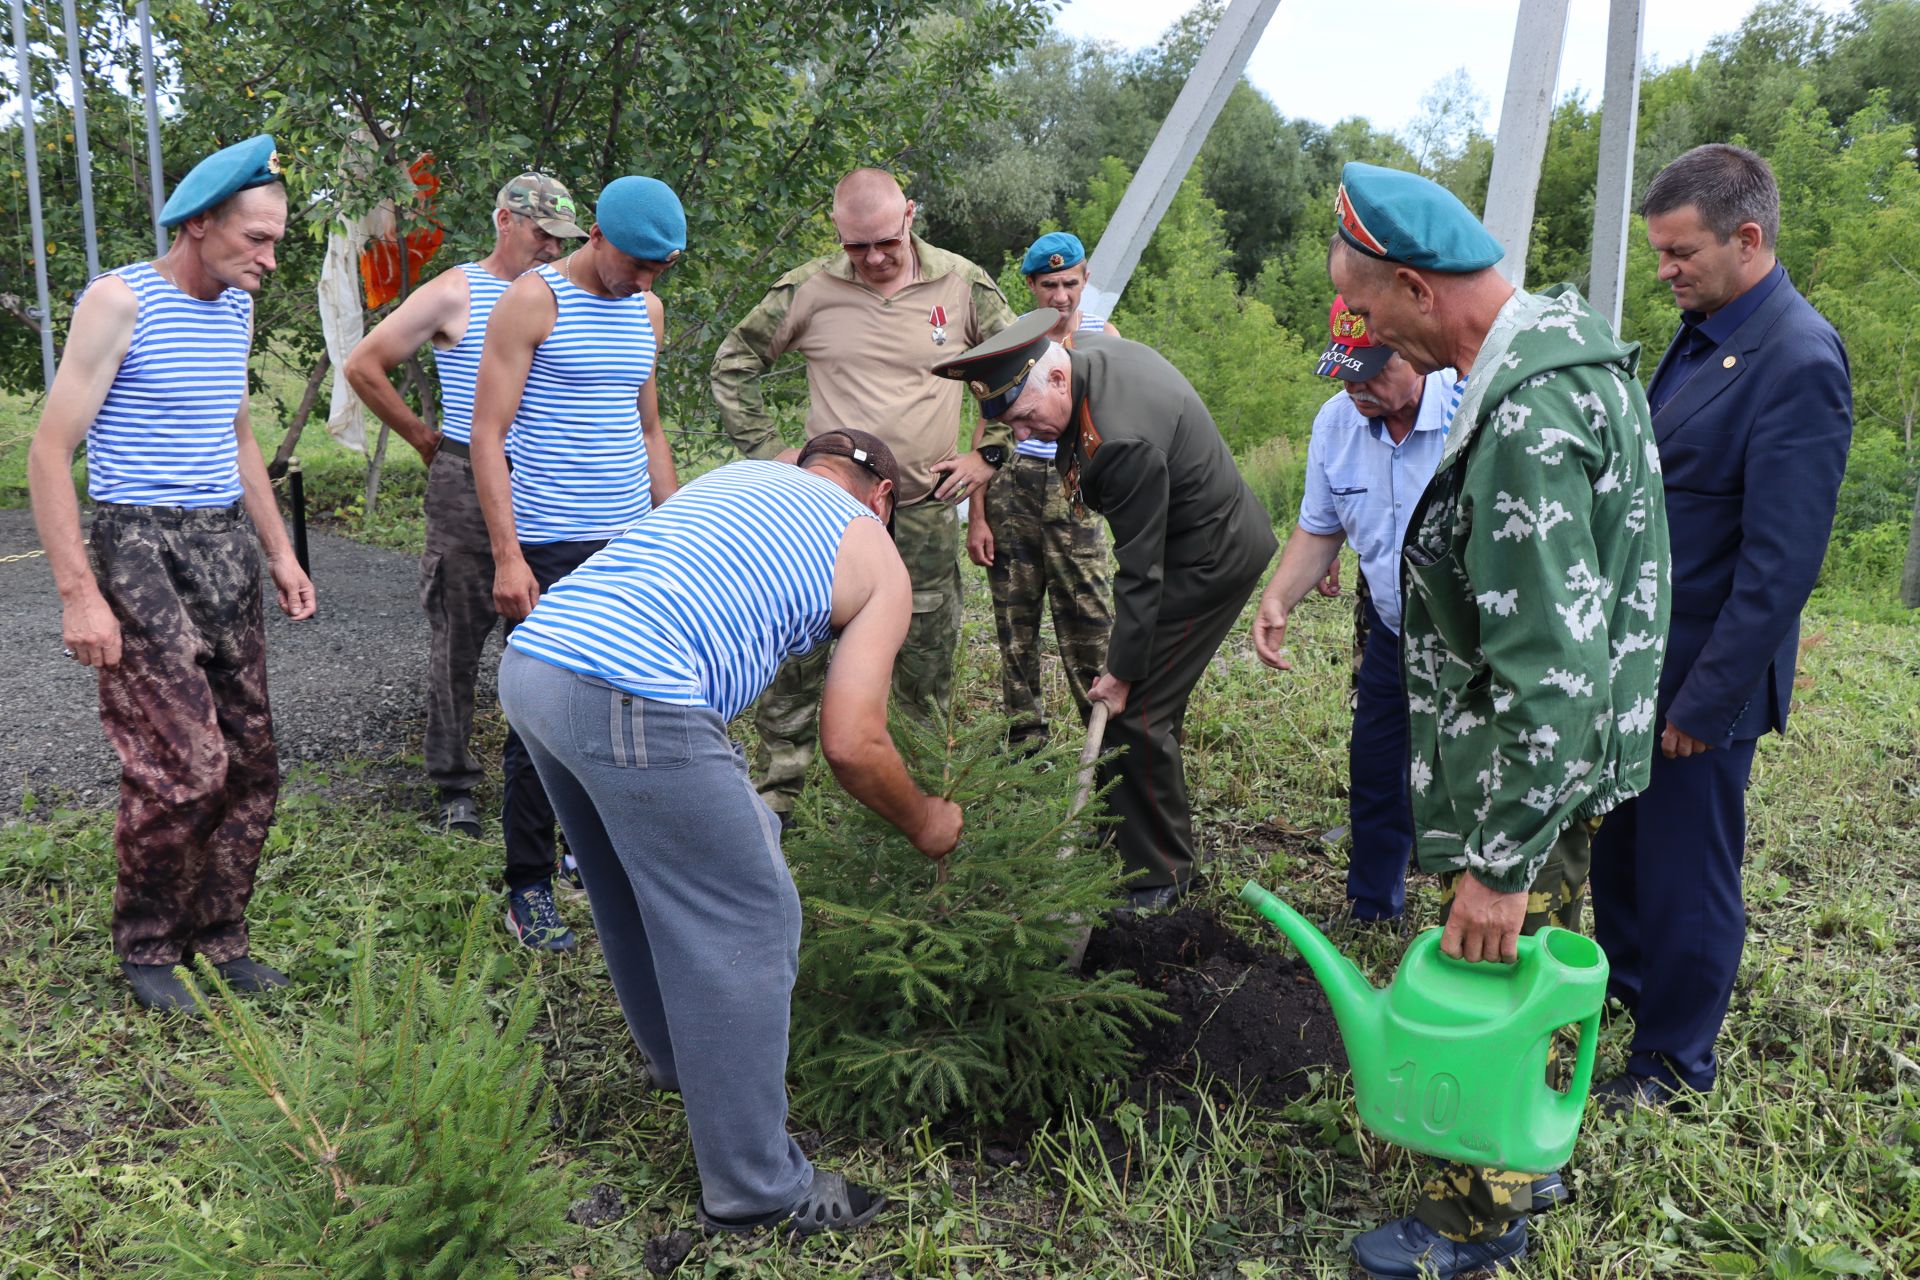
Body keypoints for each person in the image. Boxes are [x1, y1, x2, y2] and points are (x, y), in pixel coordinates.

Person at [1325, 161, 1670, 1279]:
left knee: (1495, 970)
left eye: (1372, 308)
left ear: (1421, 289)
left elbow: (1550, 667)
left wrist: (1498, 860)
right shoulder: (1571, 342)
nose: (1370, 336)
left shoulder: (1523, 413)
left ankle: (1472, 1217)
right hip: (1568, 763)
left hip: (1527, 773)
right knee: (1556, 962)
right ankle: (1532, 1155)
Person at [498, 430, 958, 1237]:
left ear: (805, 465)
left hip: (535, 662)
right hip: (633, 690)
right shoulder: (878, 556)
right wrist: (926, 821)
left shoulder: (738, 478)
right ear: (881, 497)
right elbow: (853, 743)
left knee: (628, 885)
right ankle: (758, 1187)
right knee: (751, 912)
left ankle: (684, 1063)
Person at [1590, 144, 1852, 1114]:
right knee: (1623, 855)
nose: (1664, 270)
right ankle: (1631, 998)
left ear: (1747, 238)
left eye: (1679, 252)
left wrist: (1706, 699)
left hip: (1702, 673)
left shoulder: (1796, 356)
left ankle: (1674, 1063)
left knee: (1685, 873)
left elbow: (1780, 565)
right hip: (1640, 662)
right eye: (1659, 251)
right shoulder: (1703, 328)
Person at [26, 135, 315, 1012]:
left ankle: (220, 937)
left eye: (276, 241)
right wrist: (80, 594)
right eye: (256, 239)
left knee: (252, 761)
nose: (270, 258)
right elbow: (49, 451)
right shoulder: (121, 301)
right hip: (137, 545)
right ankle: (149, 944)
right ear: (198, 224)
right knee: (181, 764)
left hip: (222, 542)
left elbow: (236, 436)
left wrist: (278, 551)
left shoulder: (235, 305)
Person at [933, 310, 1279, 913]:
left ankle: (1159, 876)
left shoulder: (1119, 442)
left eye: (1024, 417)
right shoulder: (1080, 356)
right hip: (1187, 542)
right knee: (1145, 704)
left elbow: (1141, 573)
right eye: (1008, 423)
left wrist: (1118, 672)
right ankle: (1128, 835)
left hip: (1208, 559)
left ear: (1057, 382)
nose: (1020, 435)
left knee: (1137, 714)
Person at [709, 167, 1016, 822]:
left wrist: (991, 454)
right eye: (856, 246)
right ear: (837, 232)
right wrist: (773, 455)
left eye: (884, 241)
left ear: (910, 215)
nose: (873, 258)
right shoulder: (809, 289)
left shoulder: (959, 284)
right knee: (795, 662)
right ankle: (774, 810)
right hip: (824, 519)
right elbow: (734, 365)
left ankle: (907, 812)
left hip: (923, 518)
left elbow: (1023, 365)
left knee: (920, 675)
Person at [469, 175, 684, 952]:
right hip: (549, 544)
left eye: (659, 269)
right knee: (540, 715)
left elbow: (651, 430)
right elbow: (487, 435)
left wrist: (671, 532)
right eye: (636, 263)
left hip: (628, 542)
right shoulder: (534, 301)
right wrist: (507, 557)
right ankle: (527, 885)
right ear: (597, 234)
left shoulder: (647, 311)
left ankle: (589, 854)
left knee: (624, 706)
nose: (645, 281)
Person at [344, 173, 585, 839]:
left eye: (561, 238)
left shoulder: (569, 292)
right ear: (504, 220)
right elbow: (365, 364)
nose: (549, 248)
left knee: (546, 640)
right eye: (541, 233)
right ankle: (454, 787)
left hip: (547, 485)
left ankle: (542, 784)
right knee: (458, 634)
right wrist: (425, 437)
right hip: (467, 482)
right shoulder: (458, 291)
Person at [1252, 296, 1452, 925]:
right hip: (1394, 634)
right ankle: (1373, 907)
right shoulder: (1336, 424)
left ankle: (1474, 915)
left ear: (1415, 353)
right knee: (1374, 768)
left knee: (1470, 780)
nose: (1355, 385)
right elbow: (1319, 527)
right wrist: (1279, 597)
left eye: (1371, 369)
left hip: (1474, 645)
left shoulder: (1471, 412)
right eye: (1344, 369)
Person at [965, 232, 1116, 751]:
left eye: (1070, 283)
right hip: (1013, 485)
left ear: (1085, 279)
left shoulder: (1103, 337)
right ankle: (1025, 741)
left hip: (1076, 490)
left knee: (1090, 619)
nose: (1060, 296)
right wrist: (977, 516)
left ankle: (1105, 741)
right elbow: (984, 431)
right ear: (1030, 285)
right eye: (1049, 284)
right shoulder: (1012, 343)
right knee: (1014, 619)